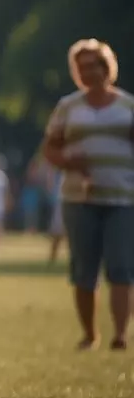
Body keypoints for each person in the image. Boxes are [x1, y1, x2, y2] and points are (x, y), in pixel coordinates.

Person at [41, 39, 133, 351]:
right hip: (78, 198)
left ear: (107, 67)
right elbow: (50, 148)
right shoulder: (69, 106)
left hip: (123, 197)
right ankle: (90, 334)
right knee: (84, 268)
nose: (87, 71)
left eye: (93, 64)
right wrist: (68, 161)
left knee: (121, 266)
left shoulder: (127, 106)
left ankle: (120, 334)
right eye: (81, 67)